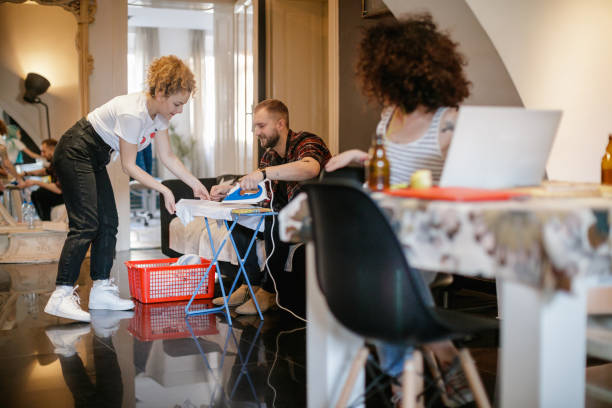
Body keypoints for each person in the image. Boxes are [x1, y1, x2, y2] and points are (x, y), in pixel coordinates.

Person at [324, 15, 473, 407]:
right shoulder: (388, 118)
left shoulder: (448, 121)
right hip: (388, 233)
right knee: (380, 265)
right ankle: (428, 361)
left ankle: (404, 380)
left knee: (387, 268)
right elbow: (386, 170)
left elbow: (464, 184)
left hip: (430, 240)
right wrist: (363, 156)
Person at [44, 55, 210, 322]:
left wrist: (195, 183)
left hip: (95, 156)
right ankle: (61, 295)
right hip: (75, 150)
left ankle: (101, 290)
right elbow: (129, 166)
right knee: (86, 223)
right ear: (159, 92)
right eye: (177, 104)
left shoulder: (160, 116)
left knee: (109, 223)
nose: (179, 110)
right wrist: (164, 190)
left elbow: (168, 157)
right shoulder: (132, 112)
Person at [209, 99, 331, 315]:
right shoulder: (270, 155)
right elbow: (259, 188)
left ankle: (270, 290)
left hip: (317, 216)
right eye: (255, 126)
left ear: (280, 124)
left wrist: (263, 173)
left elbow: (310, 168)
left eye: (261, 126)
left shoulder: (307, 141)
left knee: (277, 215)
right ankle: (251, 285)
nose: (256, 132)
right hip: (284, 214)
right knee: (235, 217)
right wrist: (229, 191)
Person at [21, 139, 64, 221]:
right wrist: (26, 173)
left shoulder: (61, 162)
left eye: (44, 151)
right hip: (62, 193)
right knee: (35, 194)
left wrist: (35, 182)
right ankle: (44, 220)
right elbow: (45, 171)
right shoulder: (54, 162)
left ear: (52, 149)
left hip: (67, 196)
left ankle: (46, 221)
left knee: (41, 193)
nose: (42, 154)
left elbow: (59, 190)